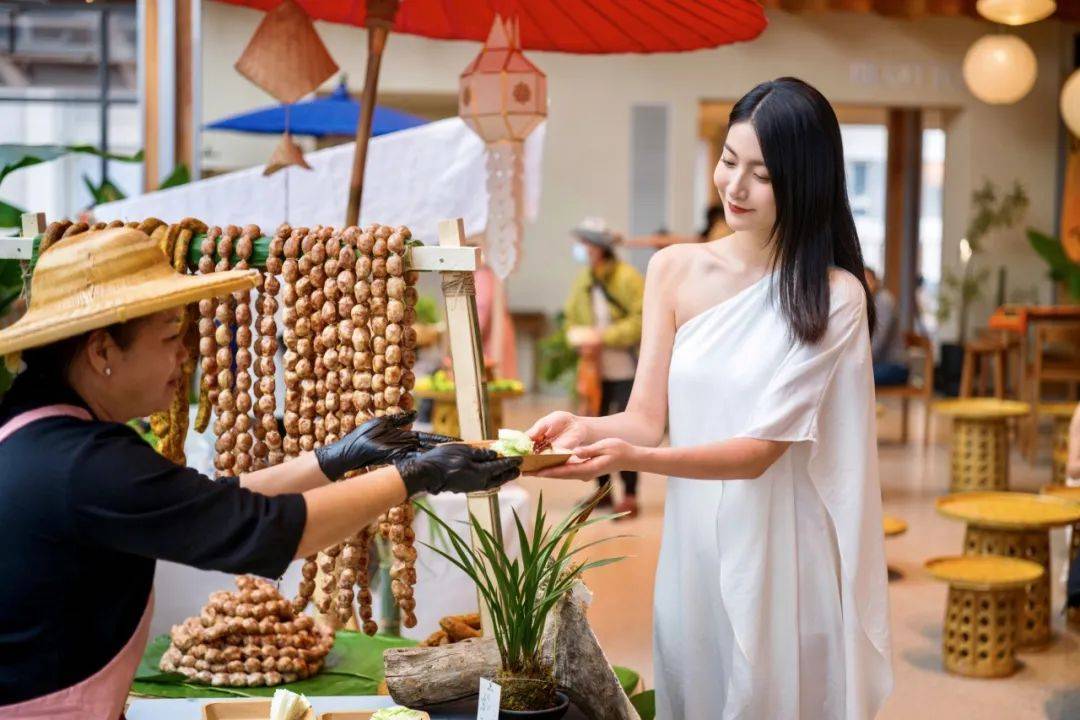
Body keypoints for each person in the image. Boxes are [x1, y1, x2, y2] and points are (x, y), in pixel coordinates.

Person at [0, 227, 521, 716]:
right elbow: (261, 529)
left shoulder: (36, 432)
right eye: (168, 338)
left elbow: (210, 503)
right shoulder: (83, 464)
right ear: (102, 351)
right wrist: (413, 477)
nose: (186, 358)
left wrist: (334, 459)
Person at [529, 78, 892, 718]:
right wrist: (586, 428)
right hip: (694, 545)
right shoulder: (673, 270)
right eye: (729, 160)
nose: (735, 186)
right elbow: (645, 418)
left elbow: (758, 453)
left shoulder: (835, 296)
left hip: (784, 555)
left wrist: (627, 459)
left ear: (805, 181)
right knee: (694, 688)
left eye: (762, 174)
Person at [564, 218, 644, 517]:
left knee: (626, 433)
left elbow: (641, 320)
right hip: (595, 371)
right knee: (593, 430)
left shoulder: (627, 278)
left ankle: (631, 494)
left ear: (599, 247)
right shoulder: (584, 279)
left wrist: (603, 337)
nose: (581, 249)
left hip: (626, 368)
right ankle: (603, 492)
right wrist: (579, 338)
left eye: (585, 243)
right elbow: (572, 317)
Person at [865, 267, 909, 386]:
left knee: (855, 377)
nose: (864, 283)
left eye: (867, 279)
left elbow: (878, 342)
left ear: (875, 281)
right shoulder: (872, 300)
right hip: (882, 363)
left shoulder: (884, 300)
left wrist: (859, 361)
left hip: (895, 366)